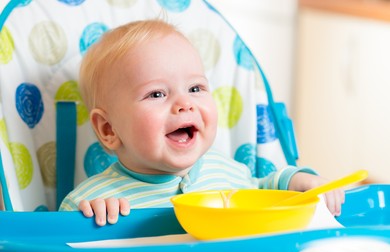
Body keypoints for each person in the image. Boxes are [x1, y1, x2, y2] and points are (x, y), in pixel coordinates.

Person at [59, 19, 344, 226]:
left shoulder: (226, 170)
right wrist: (88, 221)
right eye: (157, 93)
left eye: (195, 88)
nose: (185, 103)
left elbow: (264, 190)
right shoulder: (98, 201)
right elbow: (57, 247)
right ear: (108, 129)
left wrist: (298, 180)